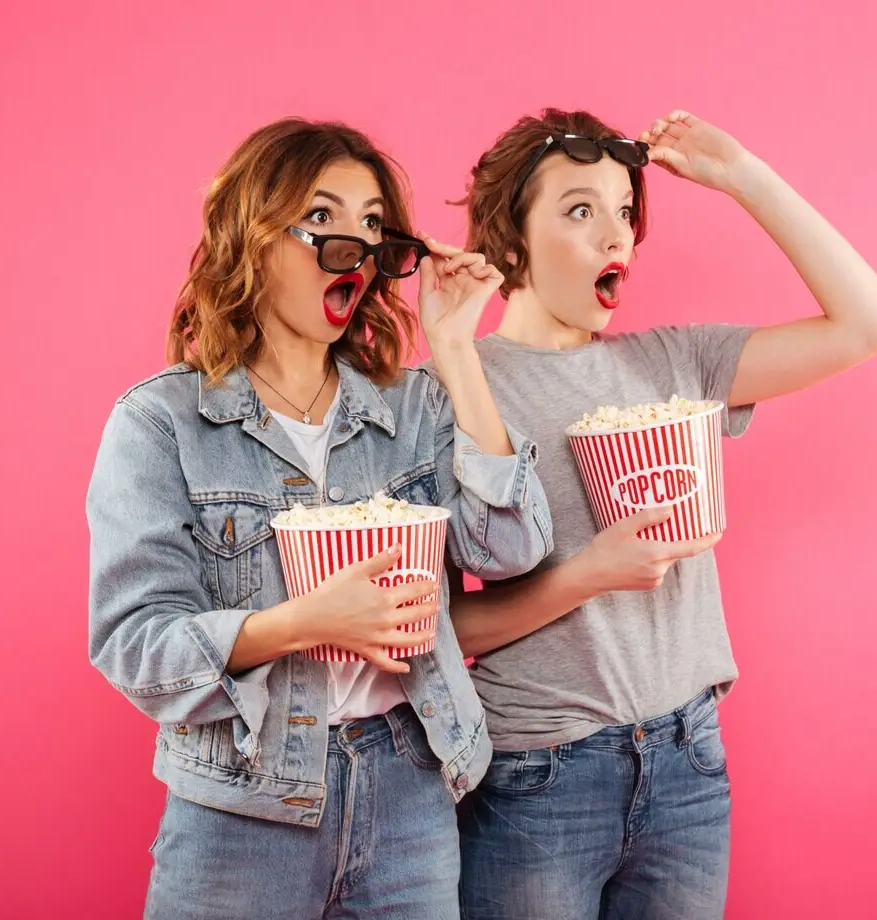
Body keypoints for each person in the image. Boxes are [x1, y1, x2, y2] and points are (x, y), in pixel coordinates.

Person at [86, 117, 551, 919]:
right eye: (326, 218)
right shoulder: (161, 422)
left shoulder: (416, 408)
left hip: (411, 788)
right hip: (242, 804)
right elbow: (135, 647)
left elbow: (510, 546)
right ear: (256, 239)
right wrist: (301, 622)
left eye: (373, 224)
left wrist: (453, 344)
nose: (357, 245)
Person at [447, 107, 877, 919]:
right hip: (537, 779)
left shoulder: (673, 363)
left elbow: (872, 324)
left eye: (625, 211)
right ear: (510, 243)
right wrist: (586, 577)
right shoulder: (453, 388)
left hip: (687, 766)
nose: (614, 235)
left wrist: (742, 176)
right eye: (579, 210)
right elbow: (441, 628)